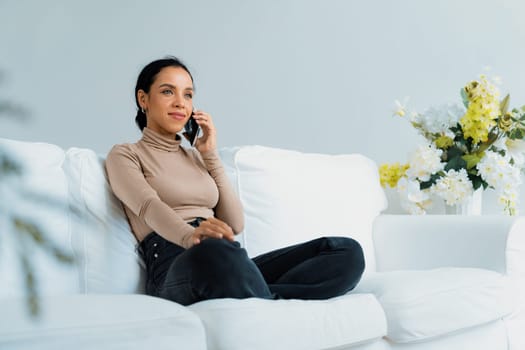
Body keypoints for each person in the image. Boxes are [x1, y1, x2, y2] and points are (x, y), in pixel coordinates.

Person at [105, 56, 365, 306]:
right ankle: (260, 297)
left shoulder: (197, 157)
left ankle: (257, 298)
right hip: (178, 264)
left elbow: (235, 223)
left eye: (188, 94)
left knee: (344, 252)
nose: (180, 103)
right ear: (143, 99)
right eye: (167, 92)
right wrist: (190, 237)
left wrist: (209, 154)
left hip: (227, 260)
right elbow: (149, 206)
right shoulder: (125, 154)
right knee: (213, 252)